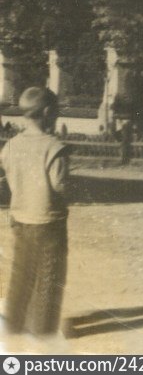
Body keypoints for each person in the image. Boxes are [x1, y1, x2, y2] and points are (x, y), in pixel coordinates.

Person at [0, 87, 70, 338]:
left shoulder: (10, 145)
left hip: (20, 218)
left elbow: (9, 176)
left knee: (22, 271)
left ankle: (14, 324)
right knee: (49, 274)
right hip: (48, 220)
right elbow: (59, 186)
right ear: (49, 112)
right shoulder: (54, 147)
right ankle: (44, 329)